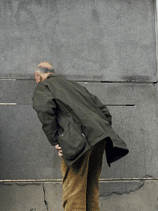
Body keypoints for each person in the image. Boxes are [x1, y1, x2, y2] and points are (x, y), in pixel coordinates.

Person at [31, 62, 129, 211]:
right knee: (91, 191)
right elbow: (105, 112)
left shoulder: (44, 86)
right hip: (99, 138)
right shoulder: (75, 86)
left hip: (77, 142)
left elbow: (45, 111)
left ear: (38, 75)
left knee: (74, 192)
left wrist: (56, 140)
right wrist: (99, 130)